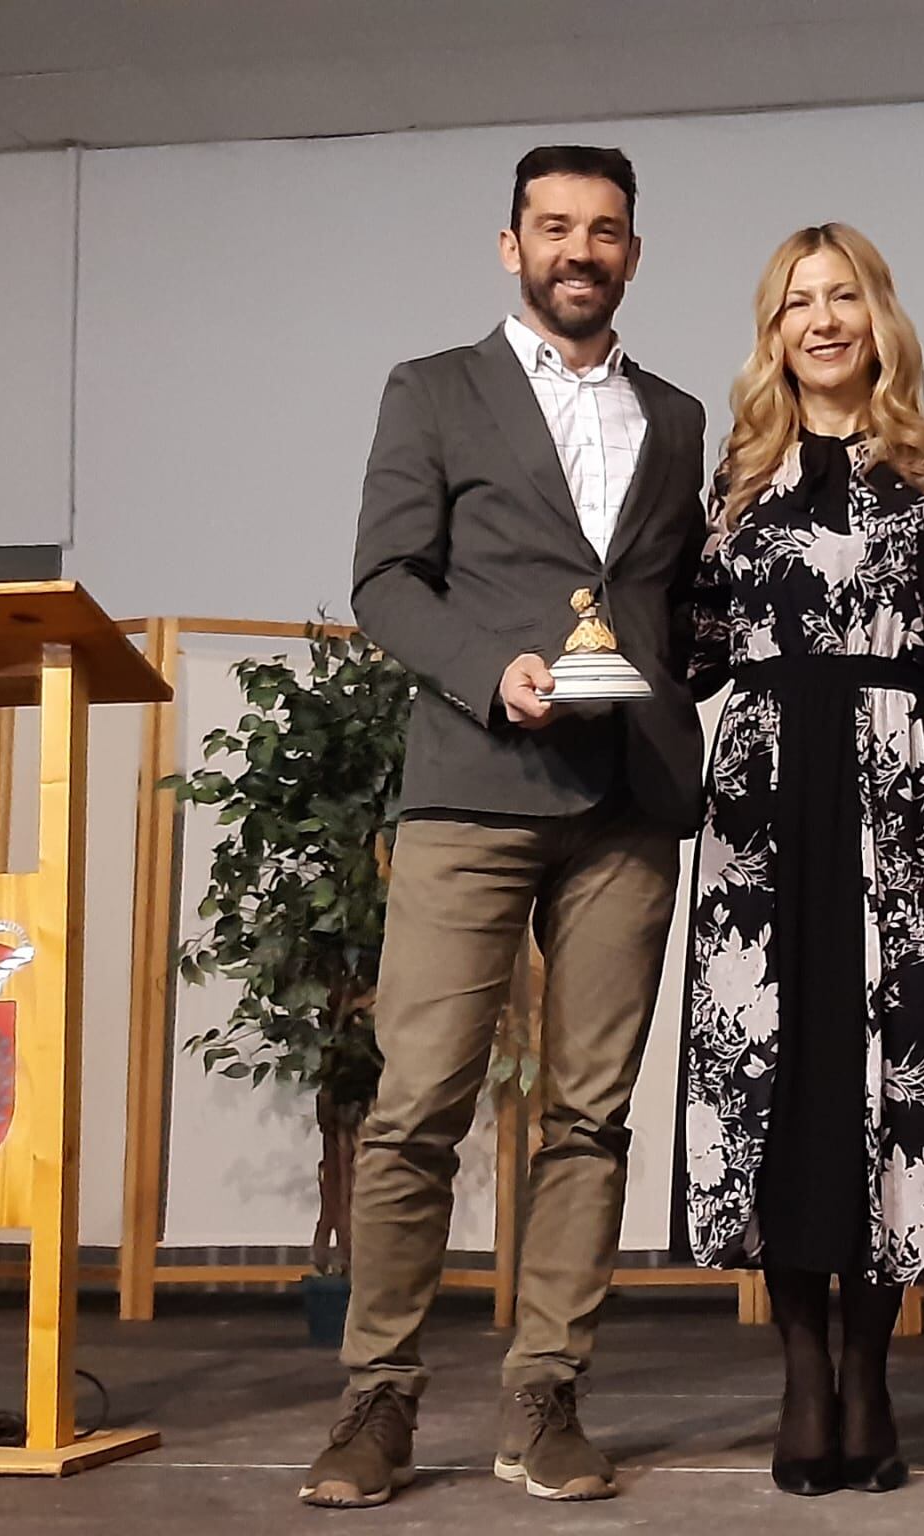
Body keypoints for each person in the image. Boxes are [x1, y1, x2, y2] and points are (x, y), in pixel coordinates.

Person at [301, 145, 709, 1509]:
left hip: (627, 807)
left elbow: (676, 607)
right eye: (554, 227)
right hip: (473, 788)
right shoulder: (432, 391)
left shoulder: (680, 414)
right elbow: (383, 582)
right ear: (510, 243)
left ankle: (545, 1398)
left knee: (588, 1120)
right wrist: (494, 669)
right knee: (418, 1109)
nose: (579, 249)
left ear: (633, 254)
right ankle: (378, 1404)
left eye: (604, 231)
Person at [680, 223, 924, 1496]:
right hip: (764, 799)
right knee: (778, 1070)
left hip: (895, 786)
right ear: (770, 333)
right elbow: (697, 643)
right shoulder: (733, 477)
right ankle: (796, 1373)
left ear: (878, 314)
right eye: (793, 304)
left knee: (890, 1070)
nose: (820, 321)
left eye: (841, 298)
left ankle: (871, 1377)